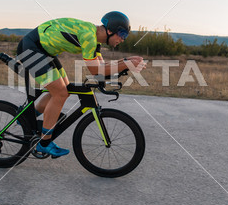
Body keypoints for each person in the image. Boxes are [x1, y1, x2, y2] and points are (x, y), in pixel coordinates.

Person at [16, 11, 146, 157]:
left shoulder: (95, 40)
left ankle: (27, 118)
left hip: (44, 51)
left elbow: (102, 69)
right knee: (60, 93)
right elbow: (96, 70)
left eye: (125, 36)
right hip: (32, 48)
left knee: (64, 89)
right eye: (122, 34)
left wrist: (126, 61)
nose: (122, 39)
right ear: (110, 30)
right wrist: (127, 63)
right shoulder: (89, 36)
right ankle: (44, 143)